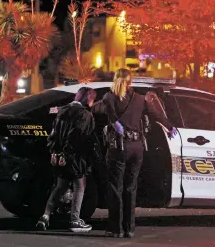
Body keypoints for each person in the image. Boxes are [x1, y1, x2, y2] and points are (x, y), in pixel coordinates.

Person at [91, 69, 177, 238]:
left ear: (116, 80)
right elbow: (155, 114)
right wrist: (170, 126)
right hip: (137, 147)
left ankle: (115, 229)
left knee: (116, 188)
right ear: (130, 82)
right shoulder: (139, 99)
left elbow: (104, 113)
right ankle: (129, 229)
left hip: (119, 147)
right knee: (131, 188)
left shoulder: (110, 97)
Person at [36, 87, 97, 232]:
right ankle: (75, 220)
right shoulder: (84, 114)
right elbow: (76, 135)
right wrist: (66, 153)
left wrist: (54, 152)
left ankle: (45, 216)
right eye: (93, 99)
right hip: (74, 157)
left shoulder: (62, 111)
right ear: (88, 98)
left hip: (59, 156)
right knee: (80, 186)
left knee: (60, 186)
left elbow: (53, 134)